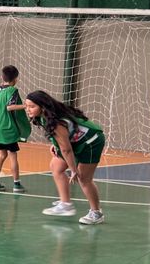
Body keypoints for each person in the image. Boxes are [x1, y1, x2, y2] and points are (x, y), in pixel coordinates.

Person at [23, 90, 105, 224]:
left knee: (83, 178)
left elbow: (66, 149)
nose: (28, 109)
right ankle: (66, 205)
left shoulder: (57, 122)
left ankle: (96, 212)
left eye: (32, 106)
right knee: (56, 166)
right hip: (77, 141)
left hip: (91, 141)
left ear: (43, 107)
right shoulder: (45, 116)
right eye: (26, 106)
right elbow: (63, 139)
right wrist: (55, 144)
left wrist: (73, 170)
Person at [0, 64, 30, 193]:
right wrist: (25, 106)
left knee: (2, 155)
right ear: (16, 79)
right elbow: (10, 107)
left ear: (2, 77)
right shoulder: (12, 91)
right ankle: (17, 184)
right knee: (13, 156)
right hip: (8, 128)